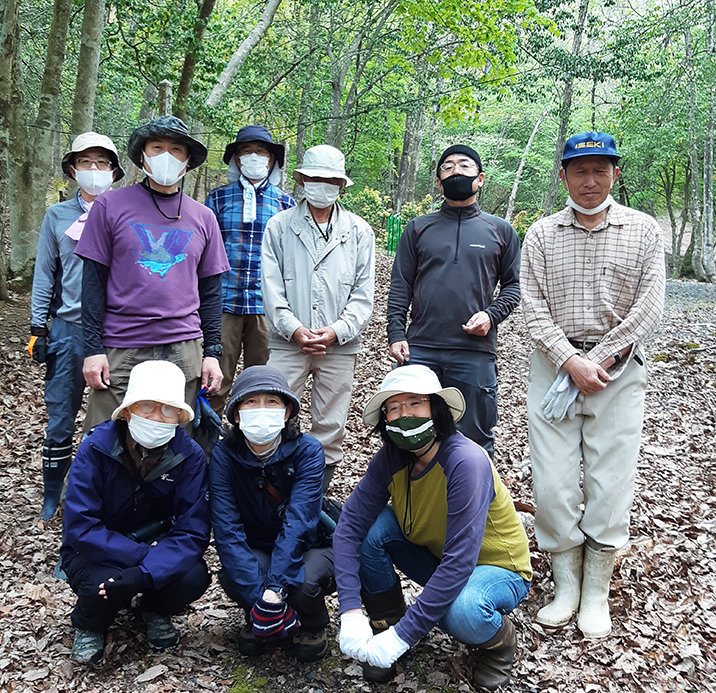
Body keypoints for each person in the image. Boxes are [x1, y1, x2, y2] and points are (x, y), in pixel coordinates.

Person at [521, 131, 665, 639]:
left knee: (611, 479)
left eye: (599, 170)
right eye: (579, 171)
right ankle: (566, 585)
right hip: (552, 366)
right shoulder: (540, 234)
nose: (589, 181)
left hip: (618, 369)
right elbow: (532, 307)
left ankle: (597, 592)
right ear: (563, 175)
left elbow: (650, 305)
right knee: (553, 480)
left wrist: (598, 359)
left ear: (614, 174)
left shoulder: (644, 230)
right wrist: (569, 359)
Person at [333, 365, 532, 691]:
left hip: (497, 568)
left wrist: (404, 637)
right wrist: (351, 611)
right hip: (440, 558)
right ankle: (387, 624)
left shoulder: (465, 461)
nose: (403, 415)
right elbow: (348, 528)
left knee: (462, 612)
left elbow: (459, 562)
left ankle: (499, 644)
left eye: (414, 403)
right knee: (371, 532)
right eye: (393, 408)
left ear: (436, 409)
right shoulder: (390, 458)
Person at [77, 115, 229, 430]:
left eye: (176, 150)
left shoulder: (203, 217)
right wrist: (92, 349)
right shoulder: (109, 206)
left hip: (183, 346)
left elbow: (211, 292)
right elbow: (93, 283)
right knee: (106, 438)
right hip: (122, 344)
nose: (166, 157)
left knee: (174, 439)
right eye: (157, 147)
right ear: (143, 156)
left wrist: (212, 352)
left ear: (187, 162)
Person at [60, 360, 211, 665]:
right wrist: (141, 558)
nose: (157, 417)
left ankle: (154, 609)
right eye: (146, 407)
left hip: (159, 547)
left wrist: (144, 575)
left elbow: (192, 530)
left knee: (194, 576)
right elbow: (80, 526)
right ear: (128, 411)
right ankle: (89, 623)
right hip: (95, 552)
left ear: (181, 416)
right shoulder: (96, 448)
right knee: (102, 583)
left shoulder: (190, 456)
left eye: (168, 409)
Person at [387, 144, 521, 456]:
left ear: (480, 178)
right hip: (420, 348)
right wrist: (396, 334)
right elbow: (400, 285)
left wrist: (491, 315)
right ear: (438, 182)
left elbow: (514, 287)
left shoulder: (500, 231)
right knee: (411, 436)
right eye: (447, 167)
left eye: (463, 165)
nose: (455, 172)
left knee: (474, 441)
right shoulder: (418, 228)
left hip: (474, 352)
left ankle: (473, 504)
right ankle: (413, 504)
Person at [261, 144, 375, 492]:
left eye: (329, 180)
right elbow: (271, 286)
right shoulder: (279, 227)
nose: (321, 186)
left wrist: (337, 331)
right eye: (314, 178)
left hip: (338, 347)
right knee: (273, 415)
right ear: (302, 180)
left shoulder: (359, 232)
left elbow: (362, 293)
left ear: (341, 185)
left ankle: (314, 493)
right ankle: (271, 486)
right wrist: (293, 329)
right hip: (286, 344)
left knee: (331, 424)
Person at [208, 366, 334, 662]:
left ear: (287, 411)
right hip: (257, 544)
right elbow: (226, 528)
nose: (261, 410)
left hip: (310, 545)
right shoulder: (223, 456)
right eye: (250, 402)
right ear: (236, 414)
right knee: (233, 574)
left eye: (272, 402)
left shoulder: (308, 451)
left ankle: (314, 624)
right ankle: (264, 616)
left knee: (301, 584)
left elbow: (299, 523)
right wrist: (260, 598)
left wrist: (275, 588)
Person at [29, 132, 124, 521]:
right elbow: (44, 272)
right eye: (86, 162)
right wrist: (38, 325)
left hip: (114, 329)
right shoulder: (57, 216)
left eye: (102, 163)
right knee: (61, 416)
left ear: (114, 171)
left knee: (111, 416)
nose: (94, 170)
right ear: (72, 169)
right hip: (68, 326)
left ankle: (99, 493)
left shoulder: (124, 212)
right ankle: (52, 493)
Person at [204, 126, 297, 417]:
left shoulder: (286, 203)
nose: (253, 157)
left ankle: (258, 449)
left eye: (261, 152)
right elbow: (206, 253)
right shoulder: (217, 199)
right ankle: (205, 451)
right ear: (237, 159)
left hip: (266, 307)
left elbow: (291, 260)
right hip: (224, 303)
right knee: (215, 381)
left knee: (265, 385)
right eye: (246, 152)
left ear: (271, 161)